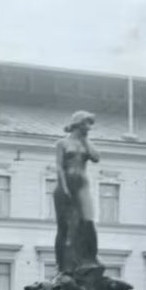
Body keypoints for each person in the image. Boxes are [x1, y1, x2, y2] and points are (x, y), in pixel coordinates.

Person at [53, 110, 101, 274]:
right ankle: (63, 264)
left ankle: (90, 259)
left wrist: (86, 140)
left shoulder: (84, 143)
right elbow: (59, 167)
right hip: (66, 184)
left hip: (82, 184)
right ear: (78, 124)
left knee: (87, 221)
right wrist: (64, 187)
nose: (88, 128)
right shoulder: (62, 143)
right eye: (86, 124)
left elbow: (96, 158)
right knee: (66, 226)